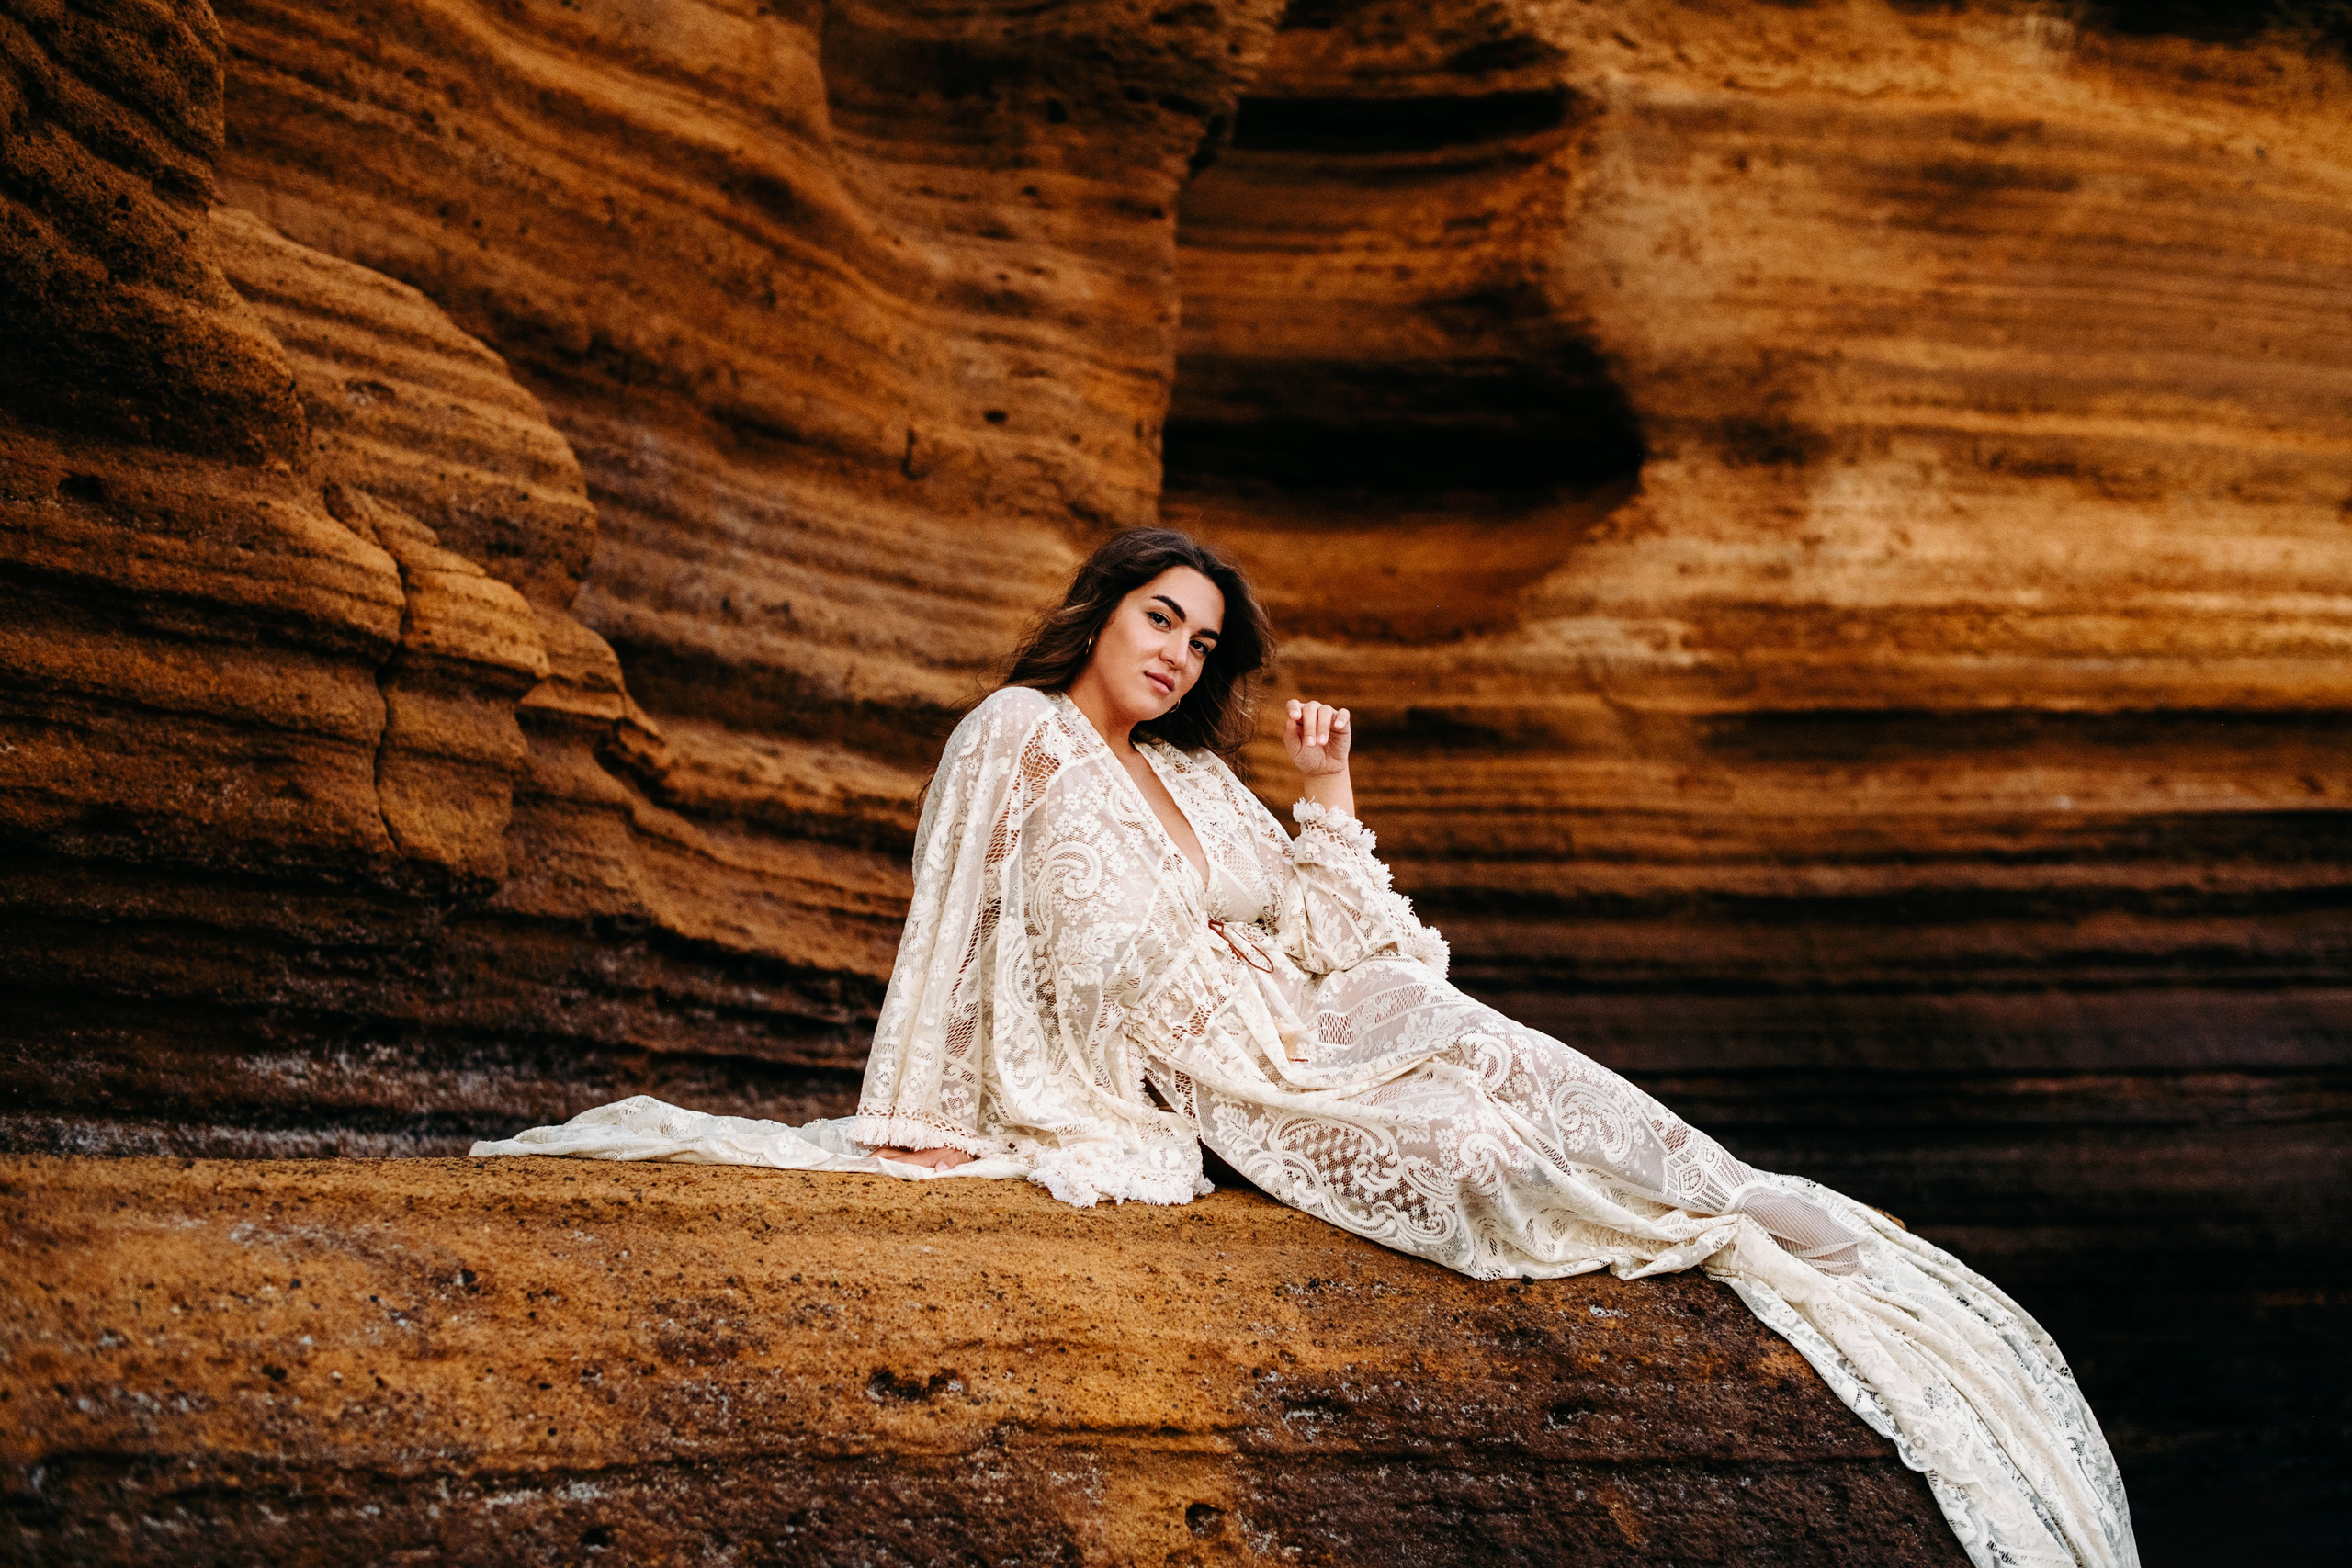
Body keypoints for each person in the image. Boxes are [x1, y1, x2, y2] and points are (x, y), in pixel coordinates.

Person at [477, 528, 2137, 1568]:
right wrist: (920, 1107)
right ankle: (1684, 1229)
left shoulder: (1204, 784)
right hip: (1221, 1059)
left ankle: (1745, 1202)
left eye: (1203, 642)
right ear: (1103, 611)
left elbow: (1351, 936)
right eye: (1164, 619)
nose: (1182, 652)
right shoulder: (1016, 735)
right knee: (1484, 1170)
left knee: (1509, 1050)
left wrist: (1328, 798)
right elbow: (955, 930)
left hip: (1321, 1009)